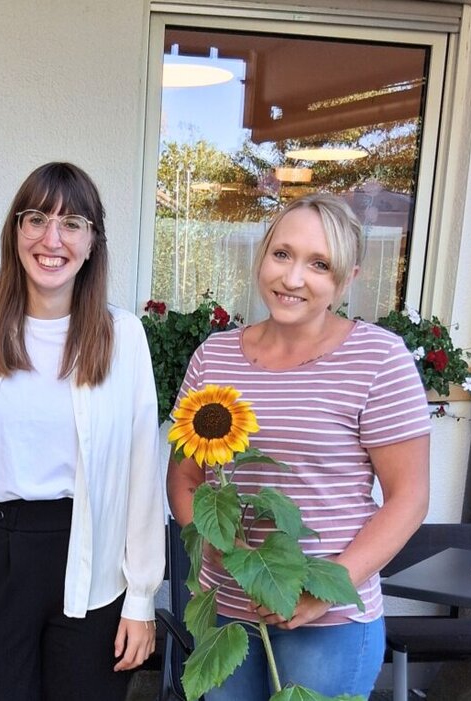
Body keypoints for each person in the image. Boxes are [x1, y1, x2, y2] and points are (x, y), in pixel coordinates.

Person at [167, 193, 430, 699]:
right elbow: (185, 478)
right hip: (227, 614)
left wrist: (320, 591)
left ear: (347, 279)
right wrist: (219, 549)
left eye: (319, 264)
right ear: (262, 255)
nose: (292, 278)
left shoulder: (378, 358)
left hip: (328, 623)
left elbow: (409, 498)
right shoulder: (214, 357)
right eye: (282, 254)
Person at [0, 162, 164, 700]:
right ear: (16, 230)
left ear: (93, 242)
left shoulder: (123, 337)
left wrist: (141, 598)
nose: (51, 240)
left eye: (72, 223)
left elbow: (143, 473)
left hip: (93, 565)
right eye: (36, 219)